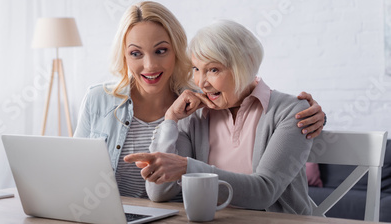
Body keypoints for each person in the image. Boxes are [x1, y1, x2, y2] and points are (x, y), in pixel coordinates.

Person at [74, 1, 324, 200]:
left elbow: (264, 189)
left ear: (176, 51)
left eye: (161, 50)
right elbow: (75, 171)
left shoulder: (199, 105)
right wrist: (170, 121)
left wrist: (312, 113)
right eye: (135, 53)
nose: (149, 64)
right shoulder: (191, 108)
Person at [125, 20, 314, 215]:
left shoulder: (291, 111)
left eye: (213, 70)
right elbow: (159, 192)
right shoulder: (194, 115)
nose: (201, 82)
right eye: (196, 69)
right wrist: (170, 120)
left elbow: (264, 192)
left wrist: (187, 168)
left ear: (246, 64)